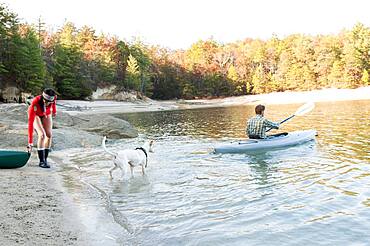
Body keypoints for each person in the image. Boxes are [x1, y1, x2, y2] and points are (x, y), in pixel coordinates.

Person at [27, 88, 57, 168]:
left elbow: (54, 103)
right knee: (42, 135)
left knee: (49, 135)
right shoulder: (35, 102)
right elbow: (30, 124)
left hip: (46, 113)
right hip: (36, 113)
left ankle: (45, 159)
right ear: (43, 98)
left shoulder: (53, 98)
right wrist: (30, 142)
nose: (47, 104)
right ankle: (41, 161)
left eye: (49, 102)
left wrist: (54, 111)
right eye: (46, 101)